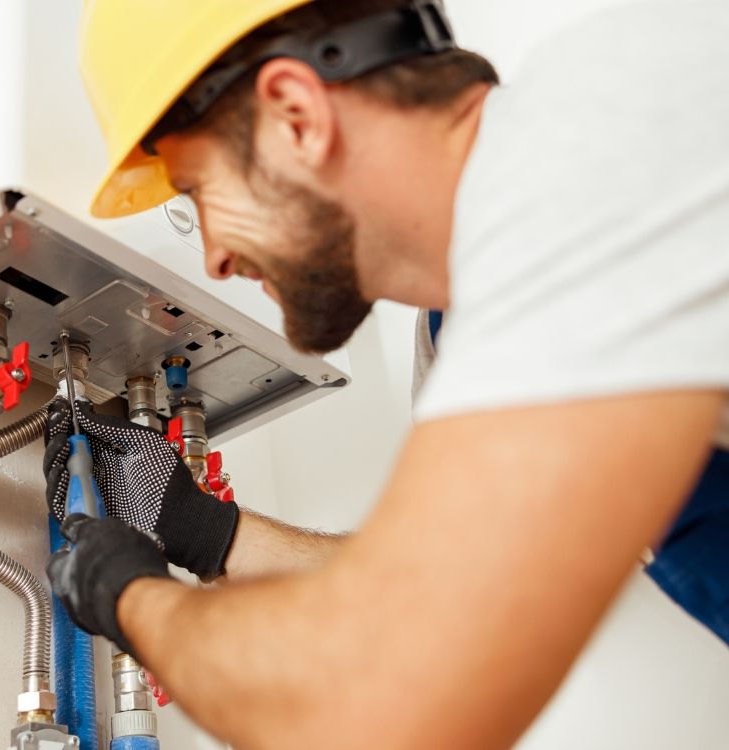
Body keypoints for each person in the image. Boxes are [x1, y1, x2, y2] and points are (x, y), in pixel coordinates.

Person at [44, 1, 729, 747]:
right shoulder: (464, 342)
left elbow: (372, 697)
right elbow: (441, 599)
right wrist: (201, 530)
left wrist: (125, 598)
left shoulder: (607, 124)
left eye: (197, 195)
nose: (214, 256)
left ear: (296, 115)